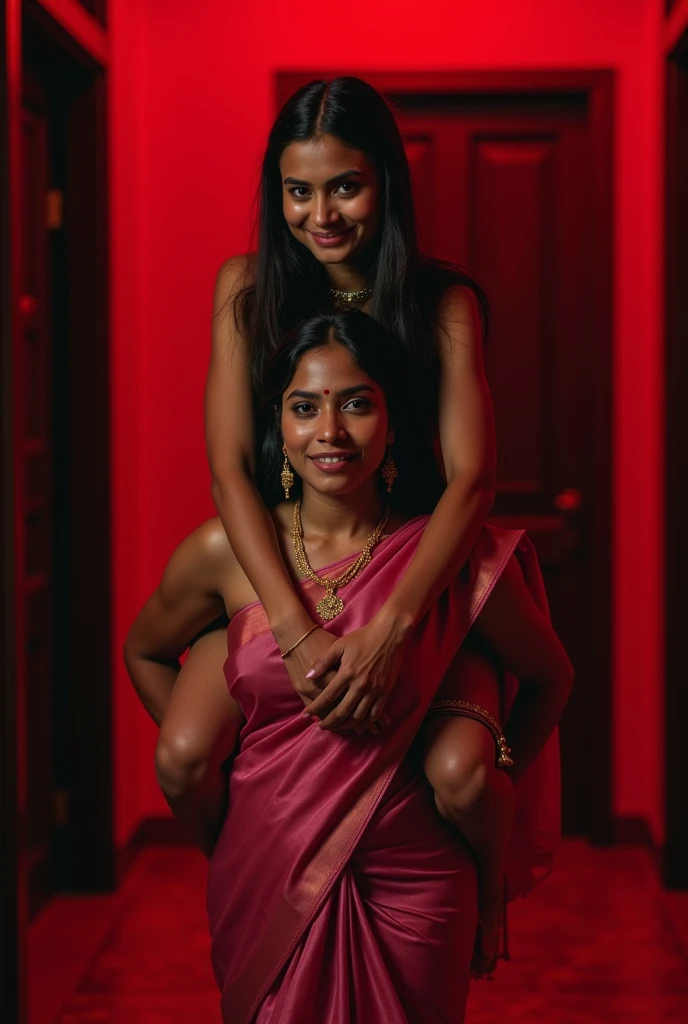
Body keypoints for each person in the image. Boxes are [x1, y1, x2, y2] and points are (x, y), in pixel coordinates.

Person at [125, 312, 573, 1019]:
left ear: (393, 425)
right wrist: (242, 769)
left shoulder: (449, 557)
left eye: (357, 404)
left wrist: (498, 794)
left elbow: (551, 676)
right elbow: (145, 651)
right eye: (304, 408)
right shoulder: (226, 552)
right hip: (267, 858)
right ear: (279, 422)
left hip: (417, 871)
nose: (329, 432)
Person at [162, 75, 519, 956]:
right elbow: (228, 469)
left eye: (344, 187)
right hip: (276, 562)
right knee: (185, 756)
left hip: (410, 565)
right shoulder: (245, 289)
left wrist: (399, 626)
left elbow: (471, 483)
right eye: (297, 190)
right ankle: (264, 875)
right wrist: (291, 626)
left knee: (462, 777)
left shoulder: (442, 305)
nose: (321, 214)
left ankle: (483, 899)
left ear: (384, 184)